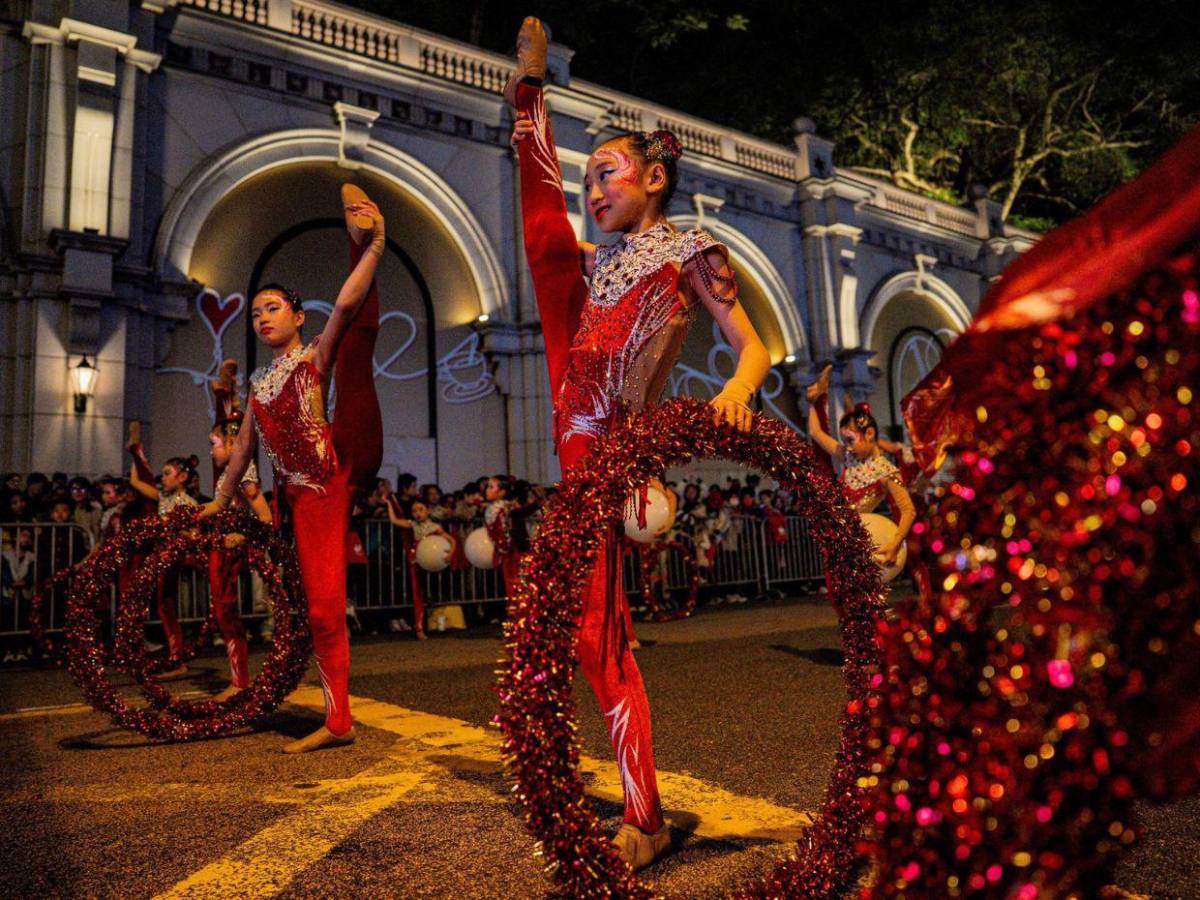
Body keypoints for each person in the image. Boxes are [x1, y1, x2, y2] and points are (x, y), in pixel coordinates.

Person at [506, 16, 771, 870]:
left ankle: (645, 815)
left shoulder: (690, 249)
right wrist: (531, 88)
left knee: (600, 636)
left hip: (617, 461)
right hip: (573, 455)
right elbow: (543, 209)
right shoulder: (594, 263)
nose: (594, 187)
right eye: (587, 176)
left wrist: (734, 394)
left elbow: (752, 345)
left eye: (608, 171)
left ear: (655, 178)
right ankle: (637, 802)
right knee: (587, 637)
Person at [201, 185, 385, 753]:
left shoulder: (313, 360)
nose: (261, 318)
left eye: (272, 308)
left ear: (300, 317)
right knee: (316, 610)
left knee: (327, 610)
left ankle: (338, 722)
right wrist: (215, 503)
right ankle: (337, 717)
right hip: (294, 504)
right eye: (255, 313)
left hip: (324, 491)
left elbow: (349, 306)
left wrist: (375, 246)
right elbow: (241, 459)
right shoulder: (259, 385)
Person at [806, 367, 916, 570]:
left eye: (850, 440)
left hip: (859, 546)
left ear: (870, 433)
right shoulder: (848, 457)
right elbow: (816, 432)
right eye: (844, 441)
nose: (847, 446)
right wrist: (813, 403)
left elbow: (908, 510)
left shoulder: (886, 471)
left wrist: (895, 544)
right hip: (839, 540)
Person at [207, 405, 273, 700]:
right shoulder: (227, 474)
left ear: (232, 444)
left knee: (228, 612)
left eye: (214, 444)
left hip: (231, 551)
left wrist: (241, 535)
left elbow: (265, 515)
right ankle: (238, 679)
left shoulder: (243, 474)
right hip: (219, 548)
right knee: (223, 612)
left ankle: (240, 681)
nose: (210, 451)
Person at [129, 452, 201, 679]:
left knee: (166, 606)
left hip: (173, 558)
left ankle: (177, 658)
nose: (163, 478)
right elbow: (135, 482)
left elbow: (194, 534)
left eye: (168, 473)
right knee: (163, 606)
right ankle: (175, 656)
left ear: (182, 478)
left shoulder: (188, 502)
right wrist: (136, 453)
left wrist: (176, 538)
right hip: (162, 557)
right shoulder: (163, 497)